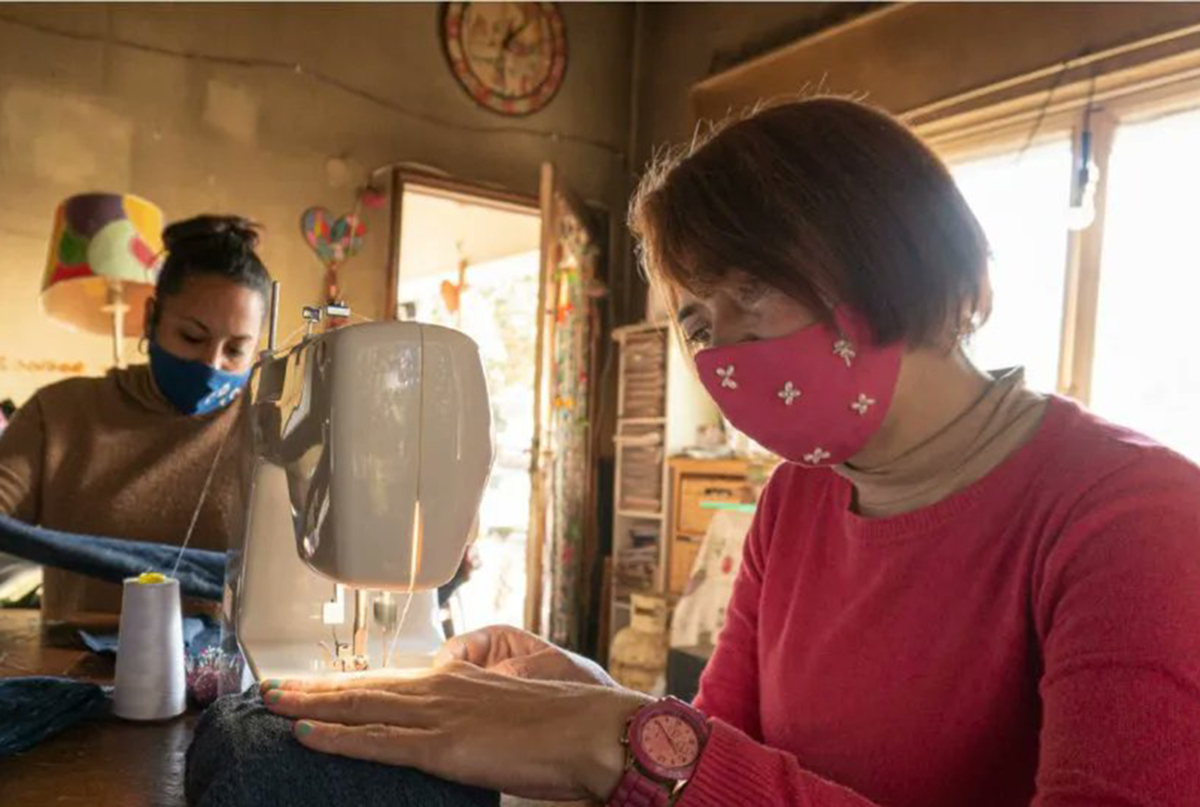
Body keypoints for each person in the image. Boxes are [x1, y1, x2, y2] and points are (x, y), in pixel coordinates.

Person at [259, 97, 1200, 806]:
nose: (721, 351)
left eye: (752, 289)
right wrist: (590, 701)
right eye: (699, 320)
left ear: (895, 251)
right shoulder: (796, 501)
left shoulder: (1134, 515)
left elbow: (693, 766)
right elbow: (724, 755)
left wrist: (618, 740)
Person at [0, 215, 270, 619]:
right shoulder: (58, 415)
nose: (211, 363)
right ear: (151, 318)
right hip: (73, 669)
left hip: (223, 675)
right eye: (192, 337)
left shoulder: (272, 430)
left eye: (235, 350)